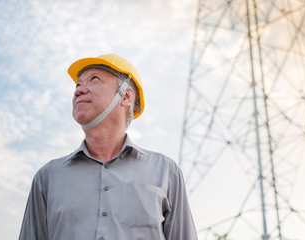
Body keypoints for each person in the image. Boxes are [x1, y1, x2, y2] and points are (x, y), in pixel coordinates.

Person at [19, 53, 198, 240]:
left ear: (126, 96)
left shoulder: (166, 173)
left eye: (94, 80)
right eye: (78, 84)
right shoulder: (47, 178)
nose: (78, 90)